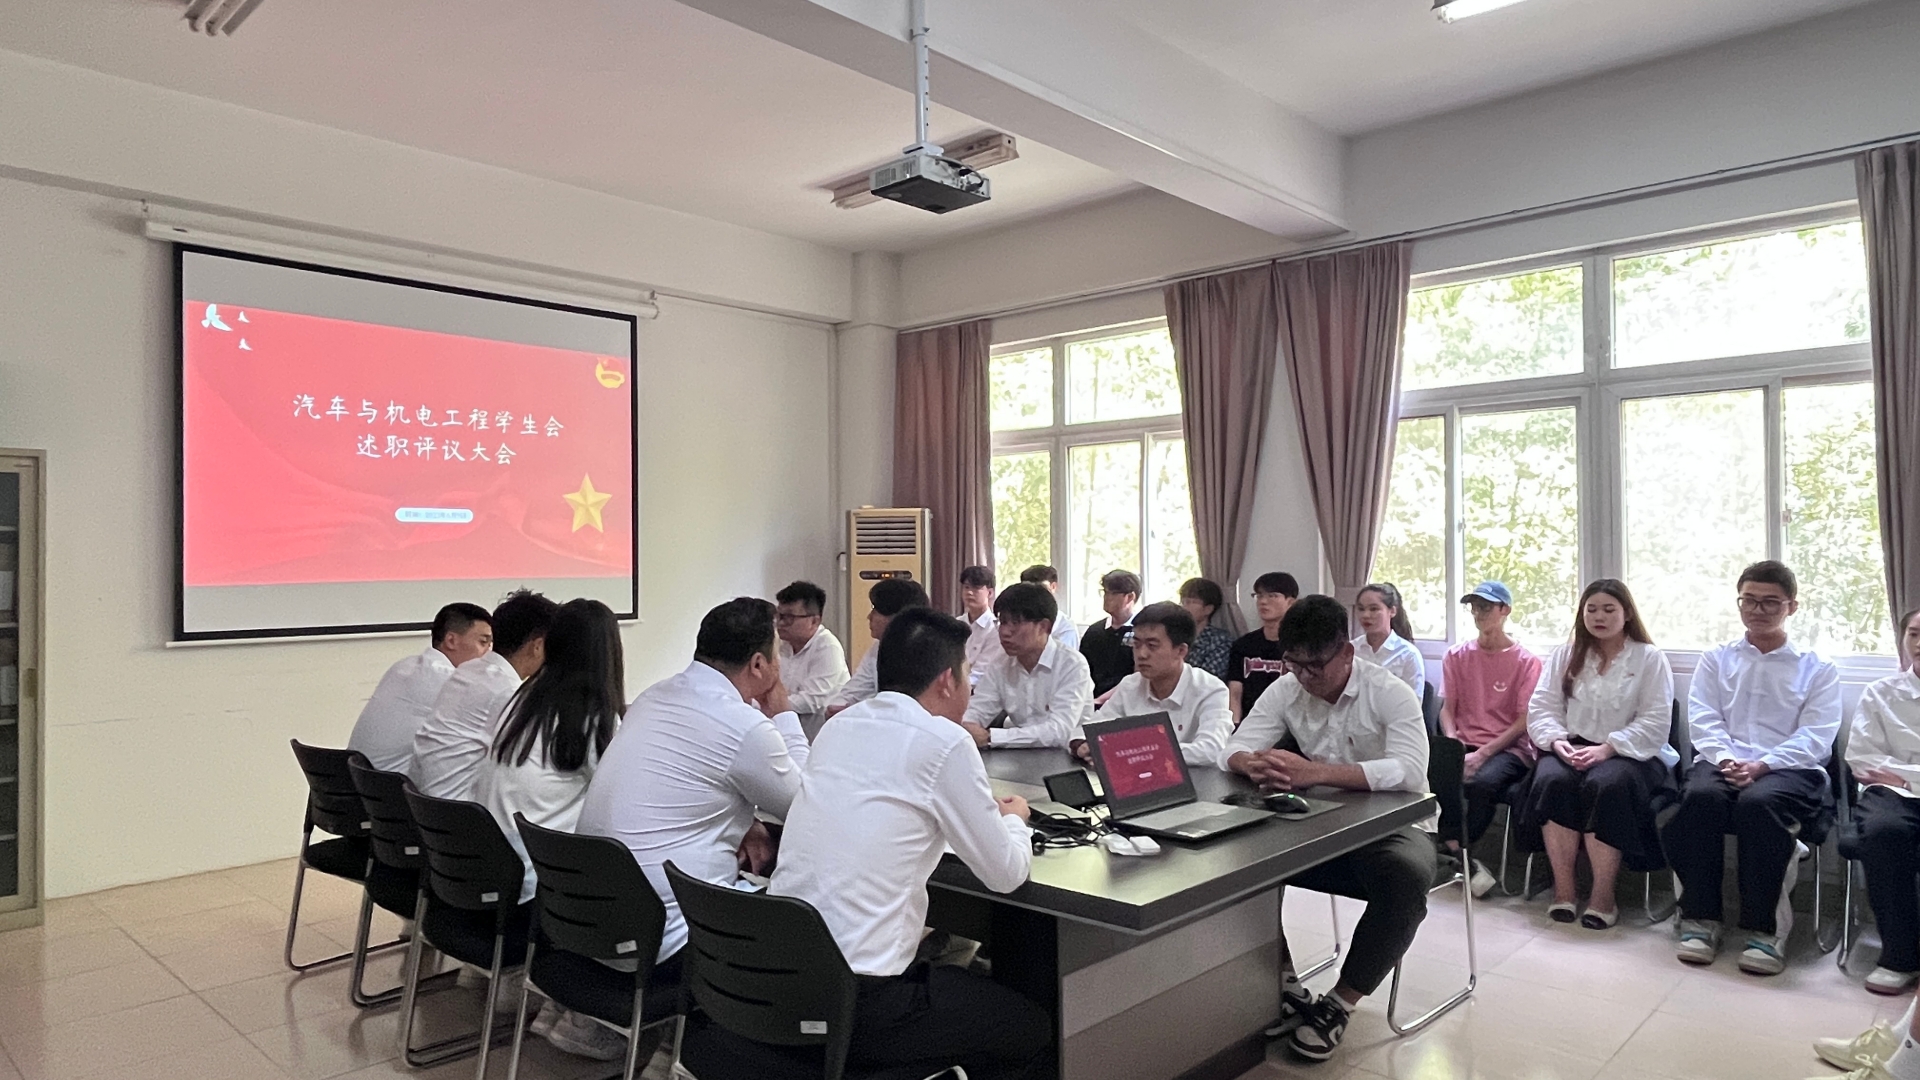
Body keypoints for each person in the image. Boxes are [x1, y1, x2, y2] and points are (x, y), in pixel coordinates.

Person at [769, 608, 1050, 1080]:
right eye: (967, 676)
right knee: (1030, 1027)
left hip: (775, 984)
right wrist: (1015, 822)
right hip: (859, 1001)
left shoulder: (840, 726)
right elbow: (1005, 875)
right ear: (947, 680)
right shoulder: (944, 741)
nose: (970, 689)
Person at [576, 597, 807, 1040]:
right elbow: (807, 807)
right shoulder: (746, 726)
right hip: (662, 938)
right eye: (777, 654)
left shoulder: (653, 696)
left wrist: (744, 823)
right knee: (805, 921)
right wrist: (783, 713)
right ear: (759, 665)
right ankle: (688, 1046)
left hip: (590, 919)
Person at [1220, 595, 1432, 1063]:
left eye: (1315, 666)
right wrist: (1251, 763)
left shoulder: (1389, 691)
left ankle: (1340, 1002)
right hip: (1318, 821)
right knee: (1237, 860)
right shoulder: (1287, 687)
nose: (1304, 676)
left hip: (1393, 822)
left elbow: (1411, 771)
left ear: (1347, 652)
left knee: (1404, 878)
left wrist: (1315, 772)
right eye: (1294, 664)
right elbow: (1233, 748)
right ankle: (1285, 981)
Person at [1664, 560, 1841, 975]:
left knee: (1758, 806)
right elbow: (1704, 719)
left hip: (1791, 769)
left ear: (1792, 606)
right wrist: (1727, 759)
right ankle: (1701, 919)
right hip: (1721, 760)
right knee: (1699, 799)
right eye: (1749, 600)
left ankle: (1766, 931)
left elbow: (1817, 735)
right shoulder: (1717, 658)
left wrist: (1764, 764)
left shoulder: (1817, 667)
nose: (1758, 610)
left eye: (1770, 602)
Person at [471, 598, 625, 1061]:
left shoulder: (523, 697)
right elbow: (622, 801)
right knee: (633, 874)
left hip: (487, 872)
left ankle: (548, 998)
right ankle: (586, 1018)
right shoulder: (593, 716)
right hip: (531, 890)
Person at [1523, 579, 1675, 929]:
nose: (1599, 617)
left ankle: (1603, 896)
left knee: (1606, 786)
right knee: (1552, 780)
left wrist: (1609, 748)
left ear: (1627, 614)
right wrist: (1556, 742)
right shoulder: (1565, 654)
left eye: (1609, 609)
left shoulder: (1649, 658)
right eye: (1591, 610)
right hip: (1570, 746)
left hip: (1630, 753)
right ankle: (1564, 890)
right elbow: (1542, 707)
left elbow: (1655, 719)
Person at [1437, 582, 1542, 898]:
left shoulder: (1527, 661)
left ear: (1504, 610)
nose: (1479, 613)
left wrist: (1483, 754)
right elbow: (1447, 710)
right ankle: (1460, 857)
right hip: (1464, 741)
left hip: (1509, 747)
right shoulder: (1456, 655)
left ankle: (1454, 851)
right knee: (1433, 773)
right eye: (1475, 607)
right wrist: (1454, 746)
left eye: (1486, 607)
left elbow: (1523, 721)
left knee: (1483, 783)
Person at [411, 590, 558, 799]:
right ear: (538, 646)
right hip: (460, 809)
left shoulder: (468, 670)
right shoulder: (508, 691)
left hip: (426, 805)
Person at [1846, 608, 1920, 995]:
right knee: (1883, 833)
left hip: (1900, 783)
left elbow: (1885, 764)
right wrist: (1903, 781)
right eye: (1914, 634)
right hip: (1891, 795)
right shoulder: (1880, 693)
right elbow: (1862, 759)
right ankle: (1900, 957)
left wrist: (1906, 774)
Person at [1072, 601, 1230, 766]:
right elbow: (1087, 729)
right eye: (1136, 644)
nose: (1141, 654)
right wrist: (1083, 745)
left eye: (1152, 646)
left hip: (1195, 780)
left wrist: (1138, 750)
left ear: (1181, 651)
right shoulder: (1131, 685)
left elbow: (1210, 750)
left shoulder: (1210, 690)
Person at [347, 602, 491, 773]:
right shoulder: (448, 680)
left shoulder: (404, 666)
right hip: (388, 785)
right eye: (483, 642)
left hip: (359, 780)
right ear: (451, 641)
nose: (488, 653)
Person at [960, 582, 1094, 750]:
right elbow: (977, 710)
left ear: (1043, 626)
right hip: (1018, 753)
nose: (1004, 632)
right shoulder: (1001, 663)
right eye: (1002, 622)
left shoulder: (1072, 665)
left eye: (1015, 623)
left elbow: (1059, 731)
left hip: (1070, 755)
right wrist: (968, 726)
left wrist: (991, 737)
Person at [825, 577, 930, 717]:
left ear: (897, 617)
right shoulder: (877, 649)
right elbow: (854, 690)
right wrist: (837, 707)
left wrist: (857, 712)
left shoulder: (928, 652)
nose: (869, 617)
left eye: (876, 610)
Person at [1228, 572, 1300, 724]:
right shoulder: (1243, 645)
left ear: (1291, 602)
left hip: (1291, 725)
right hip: (1250, 723)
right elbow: (1235, 692)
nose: (1263, 601)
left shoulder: (1300, 646)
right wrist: (1235, 727)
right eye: (1259, 596)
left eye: (1272, 596)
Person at [773, 580, 848, 716]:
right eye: (779, 615)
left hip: (822, 727)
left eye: (789, 617)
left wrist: (770, 706)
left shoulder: (828, 647)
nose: (781, 623)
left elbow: (811, 701)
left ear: (814, 621)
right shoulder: (780, 644)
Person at [1352, 583, 1425, 700]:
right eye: (1361, 609)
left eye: (1374, 609)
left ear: (1392, 611)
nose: (1365, 615)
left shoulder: (1408, 654)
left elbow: (1414, 703)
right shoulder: (1351, 650)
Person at [1080, 570, 1141, 697]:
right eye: (1105, 592)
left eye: (1113, 593)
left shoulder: (1141, 633)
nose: (1106, 598)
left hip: (1128, 699)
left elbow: (1139, 677)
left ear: (1130, 597)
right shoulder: (1094, 631)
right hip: (1090, 699)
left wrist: (1103, 700)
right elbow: (1081, 671)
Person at [1179, 577, 1234, 680]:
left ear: (1208, 609)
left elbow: (1208, 679)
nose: (1185, 606)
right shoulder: (1174, 635)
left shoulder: (1220, 640)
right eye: (1183, 601)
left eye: (1192, 602)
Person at [959, 564, 1005, 678]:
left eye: (976, 588)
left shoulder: (995, 629)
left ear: (990, 593)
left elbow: (980, 673)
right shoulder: (956, 624)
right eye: (966, 587)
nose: (969, 592)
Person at [1019, 564, 1079, 648]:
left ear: (1053, 587)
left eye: (1041, 589)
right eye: (1027, 590)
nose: (1034, 595)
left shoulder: (1066, 629)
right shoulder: (1015, 623)